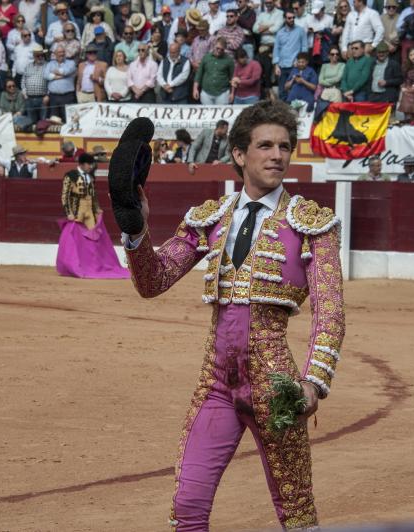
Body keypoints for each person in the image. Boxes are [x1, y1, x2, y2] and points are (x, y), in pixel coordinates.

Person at [114, 100, 344, 530]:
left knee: (296, 512)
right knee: (187, 507)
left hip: (276, 386)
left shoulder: (312, 224)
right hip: (216, 383)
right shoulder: (210, 218)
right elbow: (153, 281)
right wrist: (136, 231)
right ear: (239, 154)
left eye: (284, 146)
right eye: (265, 145)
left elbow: (329, 313)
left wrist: (313, 382)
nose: (277, 155)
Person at [57, 151, 128, 279]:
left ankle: (92, 265)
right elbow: (65, 196)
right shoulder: (71, 176)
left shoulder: (90, 177)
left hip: (89, 210)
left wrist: (97, 208)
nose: (91, 166)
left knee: (93, 237)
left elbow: (93, 195)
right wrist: (69, 213)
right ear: (83, 164)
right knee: (76, 239)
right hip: (77, 211)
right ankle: (76, 265)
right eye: (89, 164)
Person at [273, 8, 307, 100]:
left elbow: (304, 48)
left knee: (295, 91)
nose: (292, 20)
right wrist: (276, 65)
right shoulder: (279, 33)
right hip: (282, 65)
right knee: (282, 92)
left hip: (295, 65)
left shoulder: (300, 30)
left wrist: (299, 61)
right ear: (284, 19)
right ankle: (284, 113)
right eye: (289, 18)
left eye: (293, 18)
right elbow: (276, 49)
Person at [193, 36, 234, 104]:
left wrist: (232, 93)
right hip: (206, 92)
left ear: (225, 49)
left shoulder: (229, 60)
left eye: (222, 49)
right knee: (206, 114)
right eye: (217, 48)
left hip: (222, 93)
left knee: (222, 114)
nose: (219, 51)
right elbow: (199, 74)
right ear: (214, 46)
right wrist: (195, 89)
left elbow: (232, 78)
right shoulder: (206, 57)